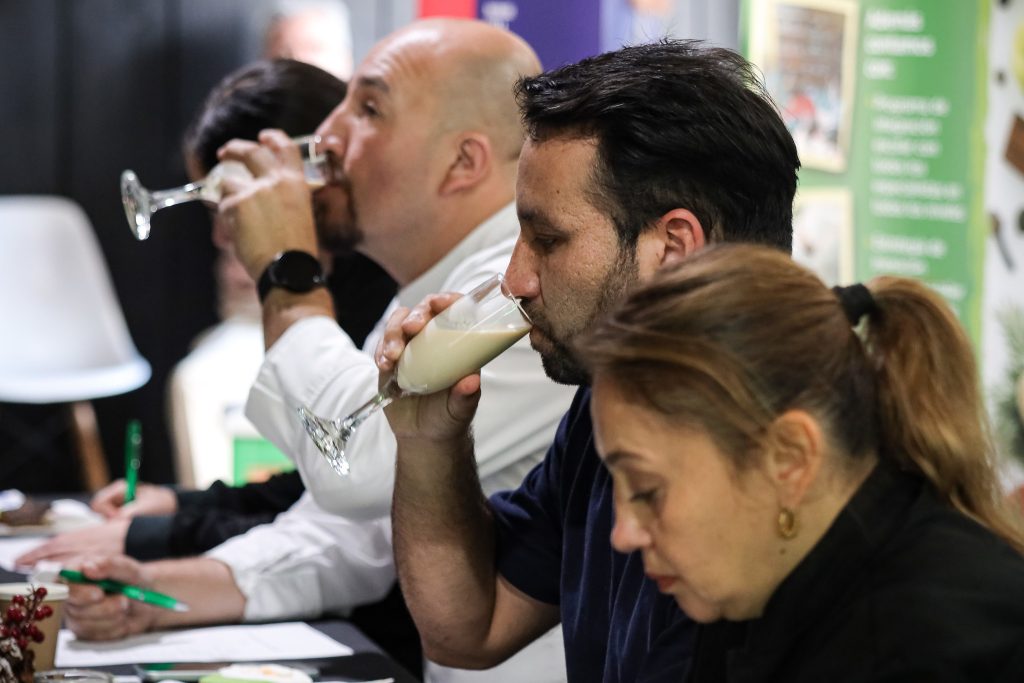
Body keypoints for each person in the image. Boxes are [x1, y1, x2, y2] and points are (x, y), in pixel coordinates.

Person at [62, 19, 575, 683]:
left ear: (463, 163)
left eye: (367, 109)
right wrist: (156, 594)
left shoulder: (523, 291)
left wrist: (287, 270)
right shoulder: (431, 286)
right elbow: (348, 533)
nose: (326, 136)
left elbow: (355, 468)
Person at [379, 40, 800, 682]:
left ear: (674, 247)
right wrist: (430, 444)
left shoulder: (782, 465)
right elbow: (468, 627)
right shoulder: (607, 400)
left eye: (548, 239)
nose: (516, 280)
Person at [581, 243, 1024, 681]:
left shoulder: (925, 649)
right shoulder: (754, 587)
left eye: (647, 490)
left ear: (789, 459)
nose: (623, 534)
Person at [17, 58, 394, 567]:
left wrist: (163, 535)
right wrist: (183, 504)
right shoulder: (345, 285)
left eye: (226, 208)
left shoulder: (376, 294)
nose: (219, 236)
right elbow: (316, 489)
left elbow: (354, 519)